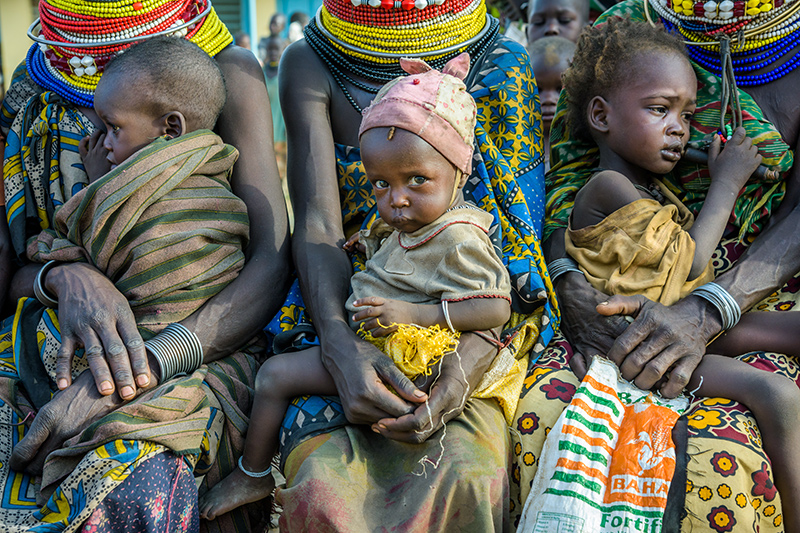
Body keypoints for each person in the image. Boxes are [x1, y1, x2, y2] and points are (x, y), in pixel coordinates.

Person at [0, 1, 290, 530]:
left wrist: (147, 365)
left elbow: (270, 265)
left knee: (132, 483)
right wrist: (67, 278)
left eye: (112, 128)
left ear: (171, 128)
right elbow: (13, 272)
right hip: (47, 331)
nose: (103, 142)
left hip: (200, 348)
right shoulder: (34, 82)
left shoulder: (225, 71)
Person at [200, 54, 529, 520]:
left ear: (459, 173)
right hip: (367, 345)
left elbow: (495, 308)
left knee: (281, 381)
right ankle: (254, 475)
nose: (396, 199)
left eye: (417, 181)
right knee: (272, 379)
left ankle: (266, 473)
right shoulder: (406, 223)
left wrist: (417, 315)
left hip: (423, 359)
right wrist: (368, 245)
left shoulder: (459, 237)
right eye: (380, 184)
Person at [273, 0, 556, 528]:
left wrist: (463, 368)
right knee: (321, 490)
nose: (396, 199)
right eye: (384, 184)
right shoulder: (311, 62)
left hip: (472, 335)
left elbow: (519, 254)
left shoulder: (504, 64)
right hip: (342, 310)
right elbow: (319, 228)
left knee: (470, 477)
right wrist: (340, 348)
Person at [522, 0, 800, 528]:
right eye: (661, 111)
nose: (680, 129)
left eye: (687, 116)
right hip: (651, 301)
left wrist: (710, 309)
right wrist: (568, 282)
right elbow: (565, 184)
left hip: (751, 283)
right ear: (601, 113)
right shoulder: (626, 30)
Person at [526, 36, 575, 170]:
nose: (548, 99)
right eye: (537, 89)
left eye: (560, 89)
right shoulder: (513, 143)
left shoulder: (586, 146)